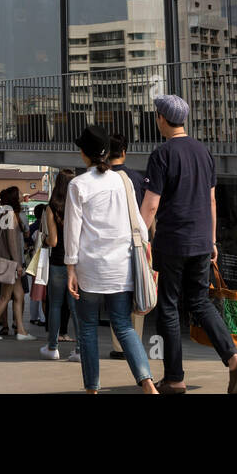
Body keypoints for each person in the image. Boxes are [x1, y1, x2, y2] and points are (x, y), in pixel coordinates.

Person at [140, 94, 237, 394]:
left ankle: (174, 378)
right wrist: (212, 239)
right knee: (200, 302)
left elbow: (150, 206)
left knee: (169, 308)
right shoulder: (204, 152)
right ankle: (234, 358)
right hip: (201, 241)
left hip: (173, 241)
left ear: (162, 119)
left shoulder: (162, 154)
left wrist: (136, 238)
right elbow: (212, 200)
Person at [65, 125, 157, 394]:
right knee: (124, 326)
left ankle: (92, 389)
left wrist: (71, 267)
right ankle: (148, 383)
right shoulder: (123, 181)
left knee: (88, 329)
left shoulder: (78, 184)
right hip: (121, 267)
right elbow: (138, 223)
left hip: (90, 269)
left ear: (84, 154)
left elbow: (72, 230)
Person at [107, 134, 148, 359]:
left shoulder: (100, 179)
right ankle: (136, 341)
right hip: (136, 241)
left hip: (111, 244)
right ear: (125, 151)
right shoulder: (136, 178)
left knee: (117, 294)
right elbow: (145, 212)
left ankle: (119, 346)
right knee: (138, 290)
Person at [0, 186, 33, 341]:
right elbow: (12, 243)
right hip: (11, 263)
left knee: (18, 295)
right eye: (19, 194)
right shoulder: (11, 215)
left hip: (8, 261)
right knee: (5, 297)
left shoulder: (4, 215)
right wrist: (17, 264)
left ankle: (21, 331)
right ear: (13, 198)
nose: (22, 195)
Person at [41, 169, 80, 362]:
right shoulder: (80, 204)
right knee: (76, 308)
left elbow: (54, 241)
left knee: (55, 305)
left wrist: (44, 239)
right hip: (77, 262)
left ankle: (52, 347)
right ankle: (80, 350)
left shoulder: (52, 207)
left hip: (58, 261)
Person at [27, 204, 47, 325]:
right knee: (42, 291)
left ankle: (33, 316)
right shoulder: (45, 228)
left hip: (33, 261)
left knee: (34, 290)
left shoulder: (32, 227)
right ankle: (42, 317)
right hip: (43, 261)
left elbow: (27, 243)